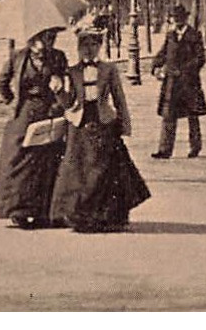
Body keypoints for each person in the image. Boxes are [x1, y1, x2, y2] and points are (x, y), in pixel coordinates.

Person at [49, 25, 150, 232]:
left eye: (93, 44)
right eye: (85, 44)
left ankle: (107, 216)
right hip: (80, 122)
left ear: (100, 46)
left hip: (104, 120)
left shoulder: (108, 69)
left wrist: (124, 123)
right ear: (78, 47)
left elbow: (119, 98)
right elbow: (69, 103)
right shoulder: (72, 71)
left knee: (106, 171)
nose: (89, 49)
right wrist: (59, 91)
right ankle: (81, 217)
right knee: (78, 171)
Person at [0, 27, 71, 228]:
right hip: (24, 113)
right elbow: (1, 83)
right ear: (31, 39)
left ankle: (47, 211)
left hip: (50, 110)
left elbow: (65, 82)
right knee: (18, 158)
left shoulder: (58, 57)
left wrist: (58, 87)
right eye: (42, 39)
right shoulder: (18, 57)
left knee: (49, 159)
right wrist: (11, 101)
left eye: (51, 38)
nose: (46, 44)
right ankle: (18, 209)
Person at [149, 5, 206, 158]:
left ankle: (195, 147)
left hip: (189, 83)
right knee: (168, 116)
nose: (177, 20)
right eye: (175, 17)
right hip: (172, 83)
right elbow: (163, 53)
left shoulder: (195, 35)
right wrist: (155, 65)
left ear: (186, 18)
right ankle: (164, 150)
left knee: (192, 116)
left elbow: (200, 58)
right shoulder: (170, 35)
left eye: (180, 17)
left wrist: (184, 71)